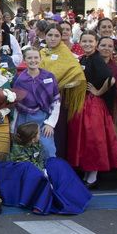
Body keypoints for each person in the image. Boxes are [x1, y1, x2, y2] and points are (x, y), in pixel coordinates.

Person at [0, 122, 91, 215]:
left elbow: (41, 158)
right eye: (39, 133)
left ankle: (76, 195)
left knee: (58, 163)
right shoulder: (17, 148)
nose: (40, 135)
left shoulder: (38, 144)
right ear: (32, 138)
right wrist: (43, 172)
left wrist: (45, 170)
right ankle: (44, 201)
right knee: (32, 171)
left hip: (37, 167)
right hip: (24, 173)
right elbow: (27, 165)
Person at [67, 31, 117, 185]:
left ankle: (93, 174)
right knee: (84, 139)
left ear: (95, 43)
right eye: (84, 41)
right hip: (84, 103)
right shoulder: (85, 58)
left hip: (93, 105)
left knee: (92, 139)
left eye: (91, 41)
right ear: (80, 42)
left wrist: (98, 92)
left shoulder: (97, 59)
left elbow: (110, 80)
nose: (87, 44)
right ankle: (87, 172)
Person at [40, 24, 85, 159]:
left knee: (57, 134)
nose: (53, 39)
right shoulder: (41, 52)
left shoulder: (65, 52)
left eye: (56, 36)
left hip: (58, 101)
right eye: (50, 35)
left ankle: (57, 163)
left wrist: (61, 85)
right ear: (45, 36)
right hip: (41, 100)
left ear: (61, 37)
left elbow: (77, 74)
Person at [12, 48, 61, 158]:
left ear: (40, 58)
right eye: (29, 58)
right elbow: (17, 105)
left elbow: (56, 102)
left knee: (47, 149)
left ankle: (48, 173)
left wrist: (50, 124)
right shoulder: (20, 80)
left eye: (35, 57)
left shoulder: (49, 77)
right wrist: (13, 128)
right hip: (25, 120)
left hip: (44, 119)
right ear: (24, 60)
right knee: (24, 150)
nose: (33, 60)